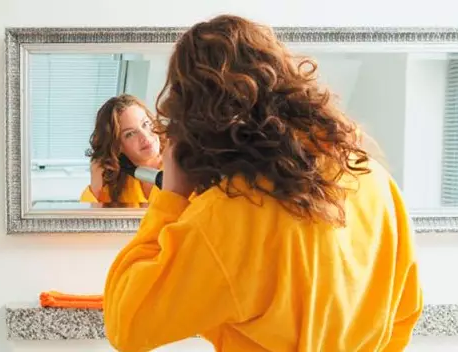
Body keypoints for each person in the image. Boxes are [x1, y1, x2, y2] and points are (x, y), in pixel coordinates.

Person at [103, 14, 422, 352]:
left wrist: (171, 199)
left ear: (195, 116)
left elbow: (128, 325)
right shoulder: (372, 179)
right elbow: (404, 313)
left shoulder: (229, 216)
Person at [80, 94, 164, 205]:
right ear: (117, 146)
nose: (145, 136)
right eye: (130, 134)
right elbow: (89, 221)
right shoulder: (115, 184)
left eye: (145, 124)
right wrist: (96, 186)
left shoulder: (182, 166)